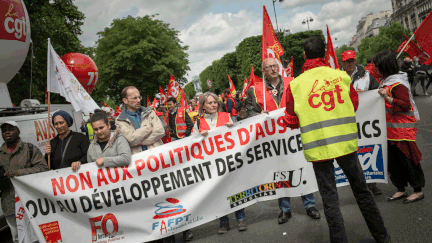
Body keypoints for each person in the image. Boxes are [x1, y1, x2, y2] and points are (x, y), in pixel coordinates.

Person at [283, 36, 390, 243]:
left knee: (330, 202)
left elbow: (290, 120)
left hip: (318, 149)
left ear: (305, 55)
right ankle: (383, 237)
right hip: (346, 145)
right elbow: (354, 105)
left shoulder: (295, 85)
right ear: (324, 53)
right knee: (363, 193)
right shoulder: (341, 77)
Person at [245, 57, 320, 224]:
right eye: (268, 67)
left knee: (302, 168)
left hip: (295, 135)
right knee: (280, 173)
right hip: (274, 141)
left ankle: (310, 205)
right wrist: (260, 116)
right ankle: (285, 209)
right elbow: (248, 112)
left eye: (274, 66)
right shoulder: (254, 90)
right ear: (263, 71)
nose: (272, 69)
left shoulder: (292, 82)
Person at [191, 92, 247, 234]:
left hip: (229, 161)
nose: (213, 105)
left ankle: (241, 218)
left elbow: (238, 135)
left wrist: (232, 128)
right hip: (212, 166)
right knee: (219, 193)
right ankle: (224, 222)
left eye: (215, 102)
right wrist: (199, 136)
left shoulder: (226, 116)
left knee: (235, 189)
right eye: (209, 103)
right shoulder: (198, 122)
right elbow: (192, 142)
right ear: (203, 106)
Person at [374, 50, 425, 204]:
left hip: (402, 131)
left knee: (408, 161)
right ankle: (400, 188)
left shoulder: (398, 84)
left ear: (384, 67)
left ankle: (417, 190)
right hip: (390, 131)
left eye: (377, 66)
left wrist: (388, 98)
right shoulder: (386, 82)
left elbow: (405, 105)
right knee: (394, 163)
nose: (375, 69)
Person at [341, 51, 382, 195]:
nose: (350, 64)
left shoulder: (366, 75)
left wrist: (366, 95)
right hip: (346, 119)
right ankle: (356, 184)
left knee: (367, 148)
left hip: (365, 119)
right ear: (342, 63)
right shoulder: (337, 77)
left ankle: (371, 183)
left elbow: (377, 91)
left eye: (352, 61)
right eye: (347, 61)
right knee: (352, 151)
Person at [1, 121, 48, 243]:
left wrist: (18, 172)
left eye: (10, 129)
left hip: (31, 203)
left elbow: (43, 168)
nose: (6, 132)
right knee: (17, 238)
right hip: (10, 204)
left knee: (37, 237)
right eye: (4, 130)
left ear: (18, 131)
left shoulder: (30, 149)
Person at [115, 86, 166, 155]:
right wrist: (148, 128)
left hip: (156, 155)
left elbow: (160, 131)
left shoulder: (149, 112)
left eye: (139, 97)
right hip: (138, 160)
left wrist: (140, 142)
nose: (138, 100)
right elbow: (131, 140)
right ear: (125, 101)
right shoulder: (120, 120)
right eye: (135, 98)